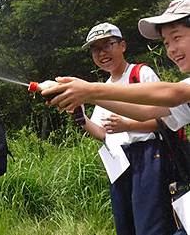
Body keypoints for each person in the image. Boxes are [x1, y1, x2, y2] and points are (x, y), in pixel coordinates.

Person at [65, 23, 176, 235]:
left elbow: (166, 121)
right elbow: (104, 134)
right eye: (95, 49)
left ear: (122, 45)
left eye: (107, 45)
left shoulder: (141, 73)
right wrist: (81, 118)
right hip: (119, 162)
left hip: (148, 156)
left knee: (151, 226)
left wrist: (129, 125)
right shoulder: (103, 88)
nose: (102, 53)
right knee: (126, 226)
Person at [42, 0, 190, 131]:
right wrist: (86, 97)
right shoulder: (106, 84)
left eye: (176, 37)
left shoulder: (141, 73)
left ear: (123, 45)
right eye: (166, 43)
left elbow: (175, 94)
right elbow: (147, 112)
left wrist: (90, 90)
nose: (171, 50)